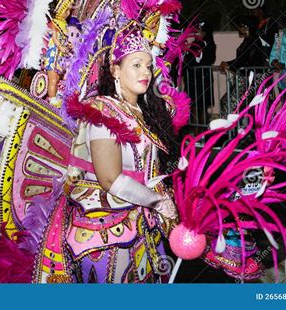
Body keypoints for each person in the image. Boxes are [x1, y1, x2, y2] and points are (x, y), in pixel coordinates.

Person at [33, 22, 180, 283]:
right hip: (107, 232)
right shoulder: (102, 111)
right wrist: (158, 202)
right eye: (136, 64)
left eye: (148, 65)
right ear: (115, 69)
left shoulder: (145, 113)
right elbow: (110, 179)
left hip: (143, 222)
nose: (145, 71)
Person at [219, 15, 269, 115]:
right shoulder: (248, 40)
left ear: (248, 27)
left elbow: (247, 62)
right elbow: (241, 59)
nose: (239, 28)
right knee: (230, 104)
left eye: (242, 26)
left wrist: (229, 65)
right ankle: (236, 128)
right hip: (245, 79)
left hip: (251, 81)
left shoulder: (254, 41)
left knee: (231, 105)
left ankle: (231, 129)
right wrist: (229, 64)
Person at [186, 21, 216, 130]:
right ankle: (196, 133)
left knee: (203, 107)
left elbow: (210, 59)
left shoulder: (210, 44)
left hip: (204, 80)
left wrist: (201, 53)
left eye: (199, 30)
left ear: (204, 32)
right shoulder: (194, 45)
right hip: (193, 80)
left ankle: (203, 134)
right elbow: (188, 61)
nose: (197, 32)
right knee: (194, 107)